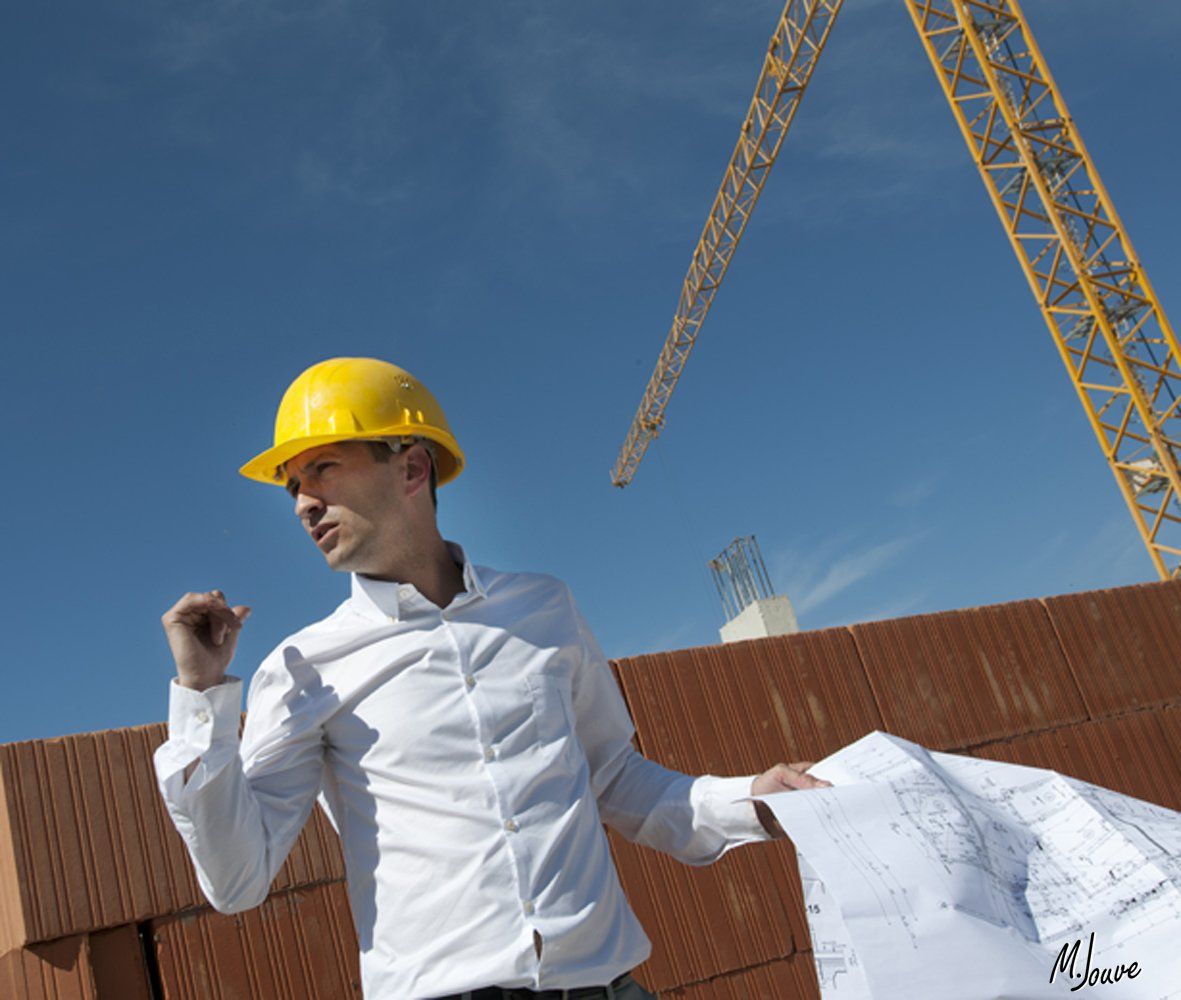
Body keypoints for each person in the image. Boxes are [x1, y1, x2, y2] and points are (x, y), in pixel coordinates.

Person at [155, 357, 828, 1000]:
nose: (303, 502)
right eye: (292, 485)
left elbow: (616, 779)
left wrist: (753, 801)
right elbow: (238, 880)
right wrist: (200, 699)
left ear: (413, 467)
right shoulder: (302, 670)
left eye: (323, 468)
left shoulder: (545, 609)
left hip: (605, 984)